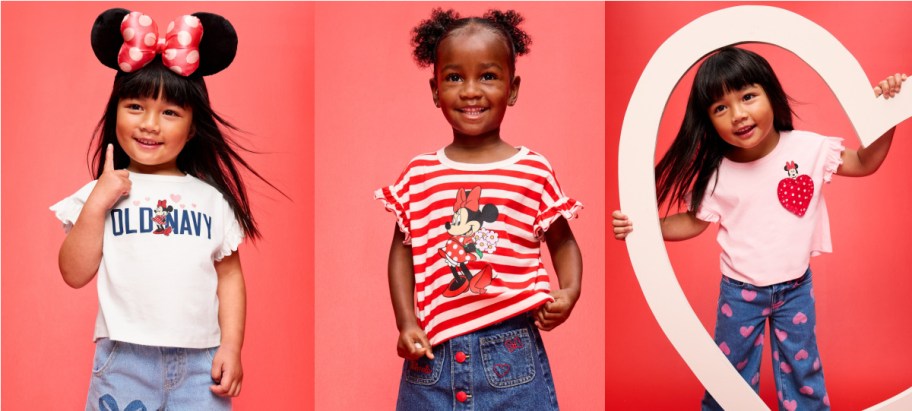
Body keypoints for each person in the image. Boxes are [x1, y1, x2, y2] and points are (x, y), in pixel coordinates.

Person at [612, 46, 906, 410]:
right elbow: (692, 222)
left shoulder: (808, 148)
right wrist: (642, 225)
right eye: (721, 108)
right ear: (709, 120)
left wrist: (889, 115)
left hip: (796, 288)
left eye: (748, 96)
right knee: (728, 374)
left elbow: (863, 162)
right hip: (740, 293)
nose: (738, 115)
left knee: (803, 369)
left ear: (771, 93)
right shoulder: (717, 172)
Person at [51, 8, 274, 410]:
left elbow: (230, 279)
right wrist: (99, 201)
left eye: (170, 112)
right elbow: (73, 272)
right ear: (115, 112)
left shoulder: (210, 199)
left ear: (192, 128)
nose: (150, 124)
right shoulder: (100, 193)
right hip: (124, 360)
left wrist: (232, 347)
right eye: (135, 107)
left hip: (200, 363)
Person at [375, 8, 583, 410]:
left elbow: (562, 241)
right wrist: (406, 322)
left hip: (511, 350)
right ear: (435, 90)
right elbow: (402, 251)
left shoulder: (533, 170)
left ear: (513, 87)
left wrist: (570, 291)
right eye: (454, 77)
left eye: (487, 76)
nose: (470, 91)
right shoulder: (420, 173)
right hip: (432, 354)